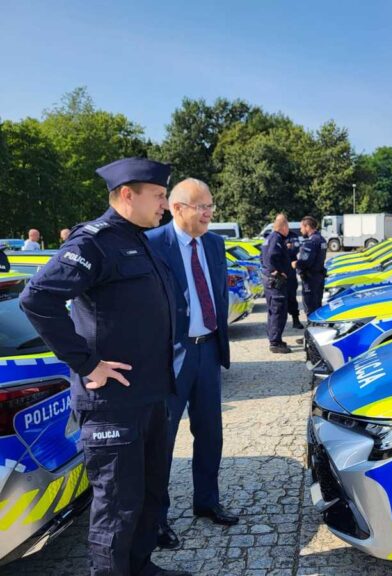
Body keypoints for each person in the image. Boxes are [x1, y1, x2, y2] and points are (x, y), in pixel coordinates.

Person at [19, 157, 190, 576]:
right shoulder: (93, 242)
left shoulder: (139, 239)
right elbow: (37, 299)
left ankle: (141, 565)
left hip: (150, 396)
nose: (165, 205)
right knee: (117, 505)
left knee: (150, 495)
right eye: (159, 196)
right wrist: (87, 363)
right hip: (113, 403)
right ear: (127, 195)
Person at [145, 178, 238, 551]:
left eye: (211, 206)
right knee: (162, 442)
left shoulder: (215, 244)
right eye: (201, 207)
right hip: (171, 356)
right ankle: (156, 521)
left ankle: (207, 501)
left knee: (210, 434)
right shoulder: (153, 244)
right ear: (177, 208)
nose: (208, 213)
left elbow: (216, 294)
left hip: (208, 352)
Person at [261, 214, 292, 353]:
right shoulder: (276, 239)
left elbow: (262, 257)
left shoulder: (270, 238)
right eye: (288, 227)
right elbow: (271, 257)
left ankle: (275, 338)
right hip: (276, 282)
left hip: (271, 281)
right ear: (283, 226)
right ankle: (275, 342)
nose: (288, 230)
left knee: (273, 311)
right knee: (278, 312)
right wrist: (278, 271)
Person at [294, 216, 327, 316]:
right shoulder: (322, 239)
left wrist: (295, 264)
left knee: (310, 308)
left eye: (302, 227)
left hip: (310, 279)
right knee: (317, 305)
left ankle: (312, 328)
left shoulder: (311, 242)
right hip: (319, 277)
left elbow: (304, 262)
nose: (300, 230)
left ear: (307, 227)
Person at [285, 228, 303, 329]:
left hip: (290, 271)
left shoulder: (293, 236)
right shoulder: (275, 236)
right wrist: (285, 247)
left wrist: (284, 249)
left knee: (292, 297)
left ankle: (296, 320)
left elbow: (294, 250)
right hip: (279, 272)